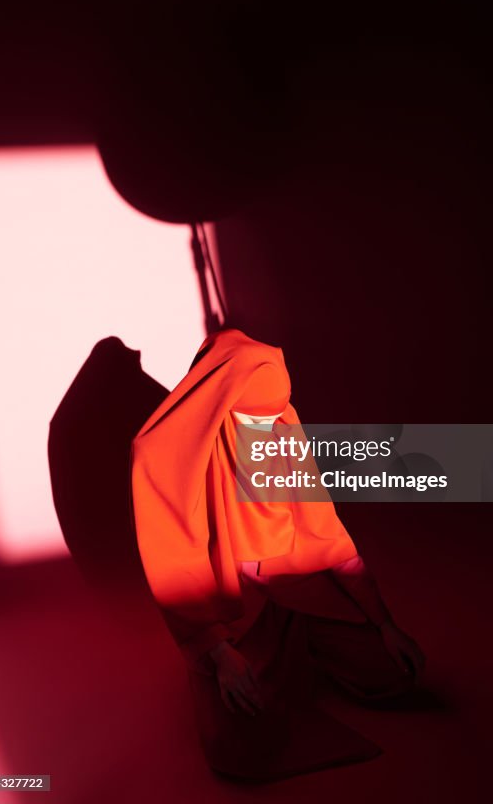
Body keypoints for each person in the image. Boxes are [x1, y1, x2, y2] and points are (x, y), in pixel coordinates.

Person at [131, 327, 426, 780]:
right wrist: (218, 652)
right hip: (236, 620)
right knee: (237, 747)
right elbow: (175, 560)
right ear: (224, 411)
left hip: (299, 598)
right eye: (253, 424)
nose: (265, 437)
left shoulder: (282, 429)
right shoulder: (194, 454)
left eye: (272, 422)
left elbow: (331, 539)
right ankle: (275, 665)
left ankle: (303, 649)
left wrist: (384, 623)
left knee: (395, 670)